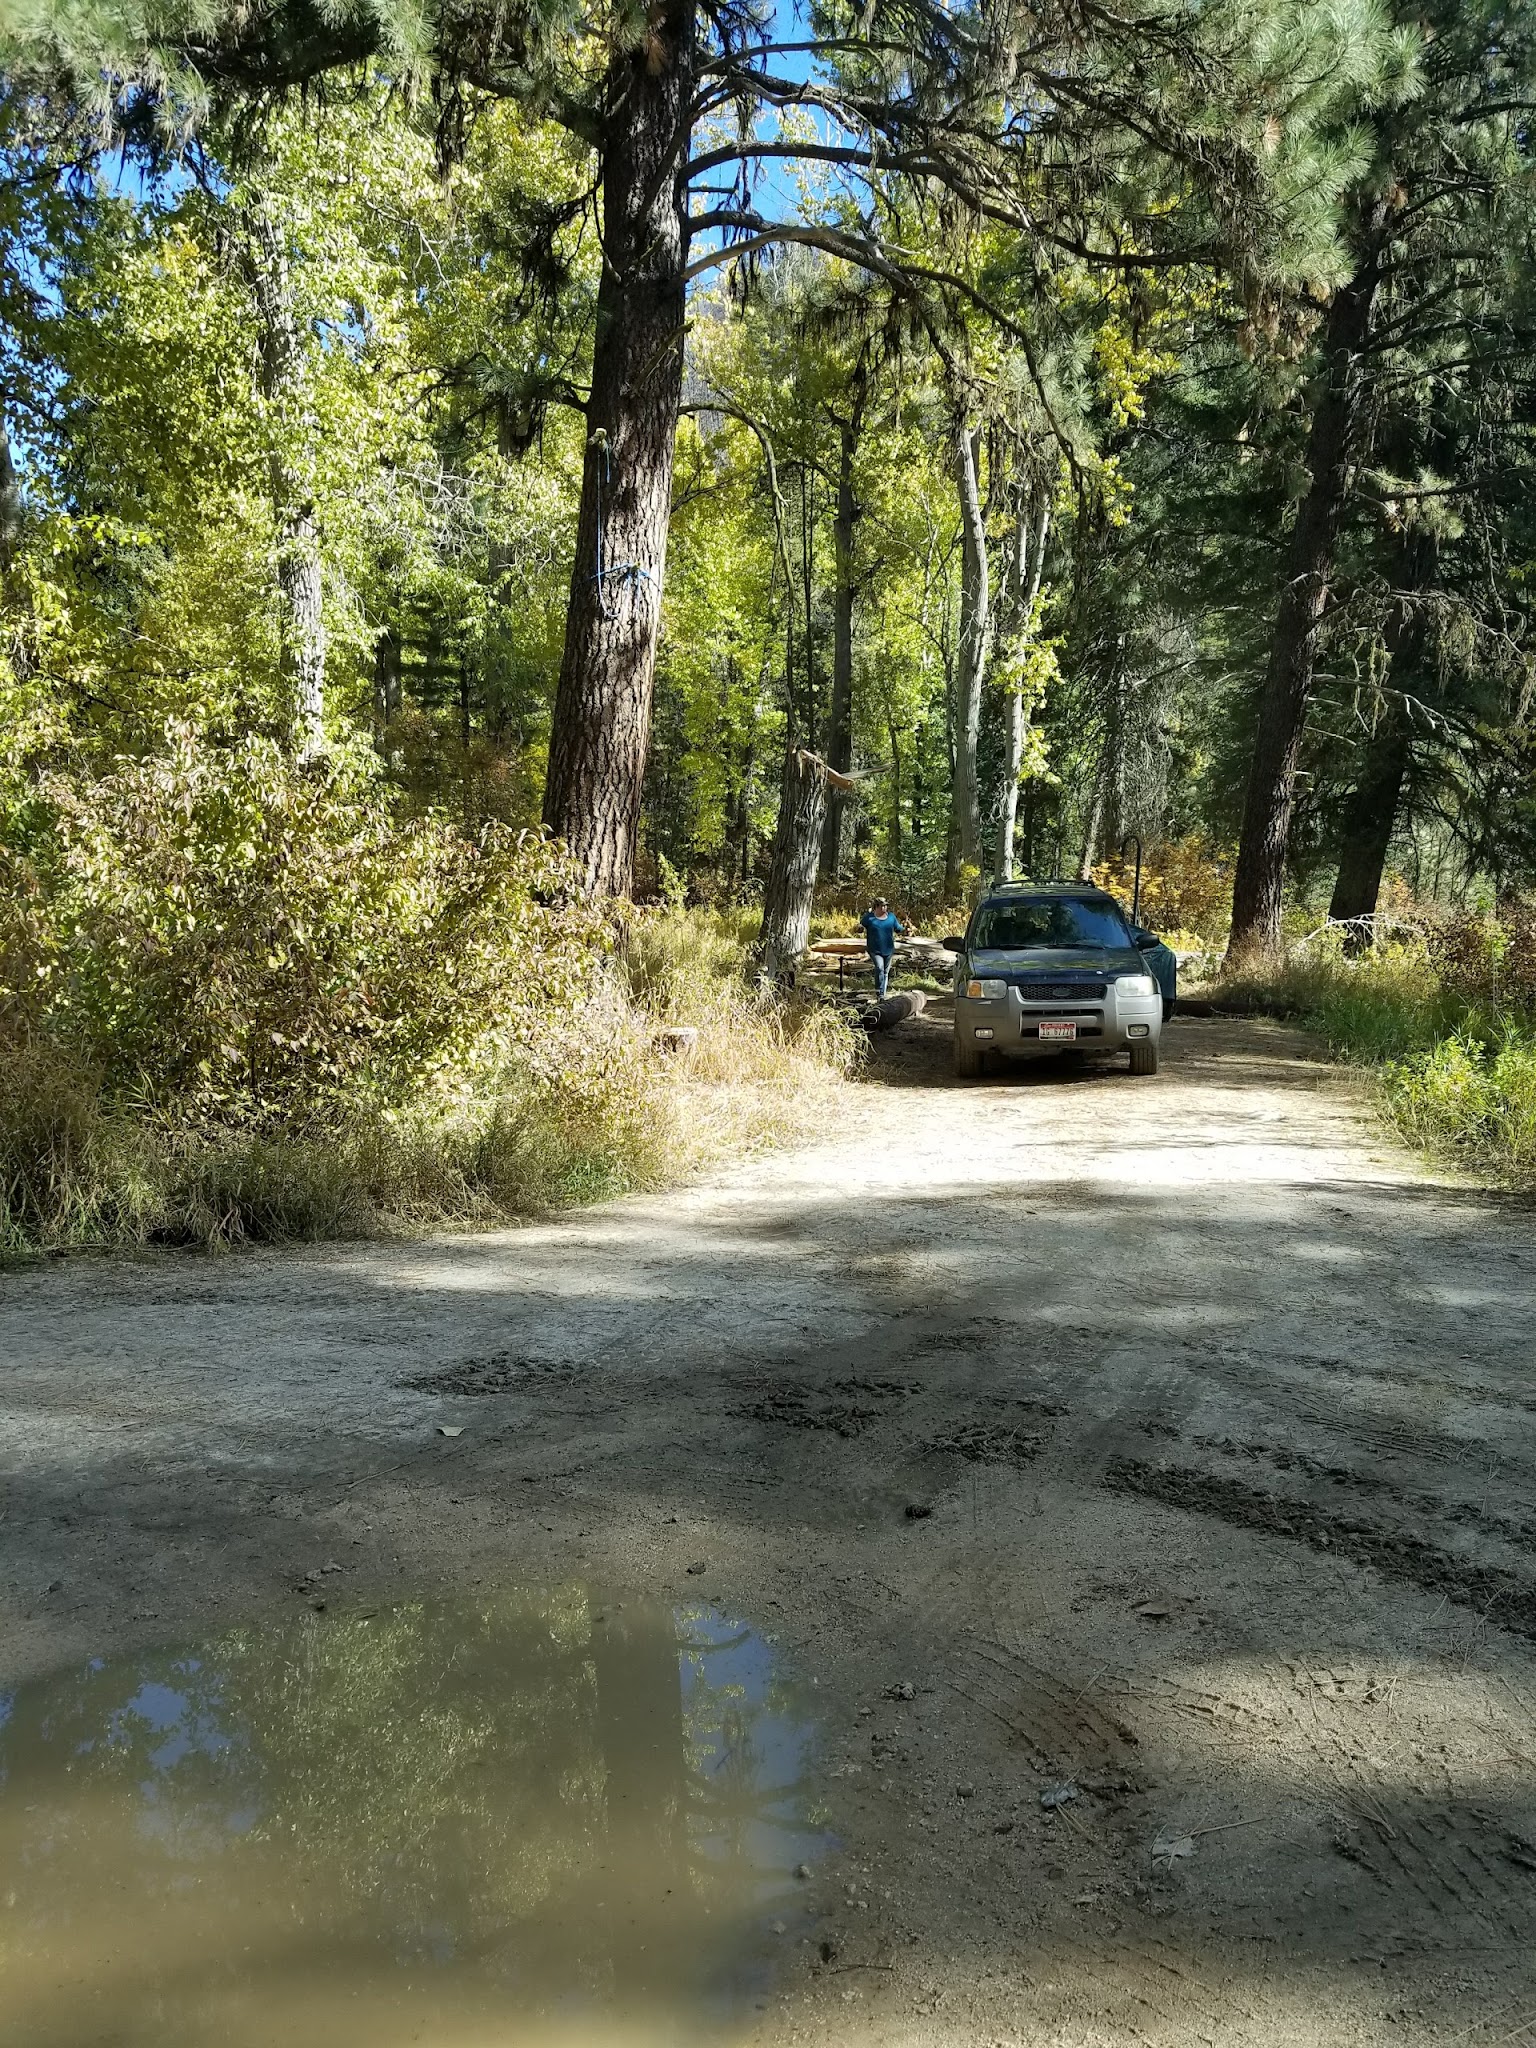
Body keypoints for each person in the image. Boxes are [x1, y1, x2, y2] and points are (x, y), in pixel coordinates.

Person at [859, 896, 905, 998]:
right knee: (879, 968)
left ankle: (882, 995)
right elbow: (860, 927)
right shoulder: (869, 918)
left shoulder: (891, 917)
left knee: (885, 972)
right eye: (882, 906)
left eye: (885, 906)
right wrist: (859, 928)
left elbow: (898, 929)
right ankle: (879, 993)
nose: (884, 908)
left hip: (888, 949)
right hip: (874, 949)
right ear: (876, 907)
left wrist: (905, 929)